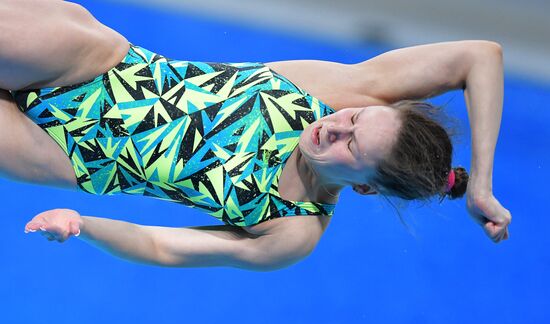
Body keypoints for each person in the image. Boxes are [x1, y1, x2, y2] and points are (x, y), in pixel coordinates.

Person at [1, 0, 511, 271]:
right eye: (353, 119)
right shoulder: (338, 91)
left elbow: (164, 247)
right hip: (95, 64)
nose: (333, 128)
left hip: (62, 155)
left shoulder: (291, 230)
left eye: (350, 147)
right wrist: (482, 182)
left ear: (365, 186)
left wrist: (84, 226)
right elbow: (480, 56)